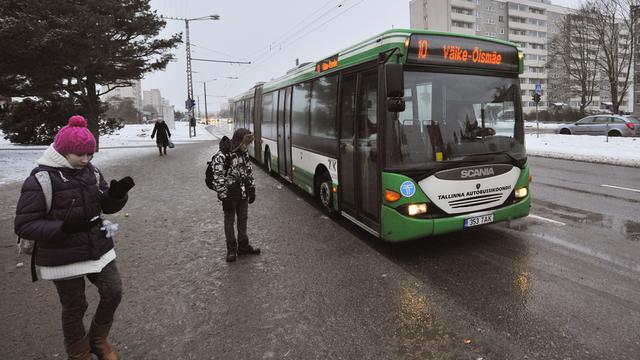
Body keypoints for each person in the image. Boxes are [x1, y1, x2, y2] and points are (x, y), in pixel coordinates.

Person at [14, 115, 135, 360]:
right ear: (63, 151)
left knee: (113, 291)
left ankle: (98, 340)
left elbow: (106, 206)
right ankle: (78, 352)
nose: (86, 160)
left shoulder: (92, 171)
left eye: (90, 155)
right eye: (80, 155)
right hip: (62, 253)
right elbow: (24, 224)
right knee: (75, 306)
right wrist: (63, 227)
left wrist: (117, 195)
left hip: (97, 246)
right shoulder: (41, 179)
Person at [212, 128, 260, 262]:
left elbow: (249, 171)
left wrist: (252, 188)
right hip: (230, 196)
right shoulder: (223, 155)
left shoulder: (244, 154)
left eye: (248, 144)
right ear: (239, 141)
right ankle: (231, 250)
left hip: (243, 193)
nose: (247, 146)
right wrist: (223, 196)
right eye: (246, 143)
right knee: (229, 221)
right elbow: (218, 177)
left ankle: (243, 247)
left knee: (243, 219)